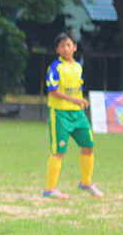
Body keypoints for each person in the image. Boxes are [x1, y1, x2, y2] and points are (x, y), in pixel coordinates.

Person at [42, 31, 102, 199]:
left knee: (89, 146)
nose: (66, 48)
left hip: (78, 114)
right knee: (59, 151)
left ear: (75, 47)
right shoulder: (55, 67)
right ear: (57, 49)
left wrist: (79, 101)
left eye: (69, 45)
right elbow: (52, 91)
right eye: (62, 46)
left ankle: (86, 182)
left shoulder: (78, 66)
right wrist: (74, 100)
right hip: (60, 113)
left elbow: (77, 87)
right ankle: (50, 188)